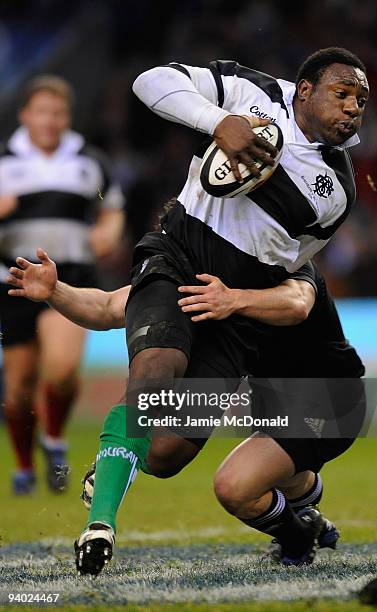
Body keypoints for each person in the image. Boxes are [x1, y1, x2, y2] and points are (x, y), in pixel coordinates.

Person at [62, 46, 368, 574]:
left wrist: (235, 299)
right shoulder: (255, 93)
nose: (353, 108)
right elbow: (150, 80)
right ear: (304, 90)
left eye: (362, 100)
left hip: (287, 365)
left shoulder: (334, 191)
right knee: (153, 383)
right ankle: (100, 527)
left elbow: (296, 290)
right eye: (342, 94)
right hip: (178, 261)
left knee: (173, 459)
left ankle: (302, 514)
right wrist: (218, 121)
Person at [7, 244, 365, 572]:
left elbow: (298, 302)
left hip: (328, 398)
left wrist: (233, 299)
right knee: (161, 449)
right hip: (272, 402)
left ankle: (298, 536)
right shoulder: (194, 270)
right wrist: (56, 291)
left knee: (234, 487)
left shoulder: (282, 253)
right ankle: (304, 507)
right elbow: (107, 307)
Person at [0, 75, 125, 494]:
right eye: (41, 111)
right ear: (25, 115)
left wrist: (109, 229)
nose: (49, 121)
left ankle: (53, 438)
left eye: (57, 112)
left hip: (70, 278)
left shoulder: (88, 161)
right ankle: (23, 467)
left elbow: (113, 207)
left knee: (63, 370)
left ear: (66, 117)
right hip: (13, 282)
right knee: (16, 392)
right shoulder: (4, 160)